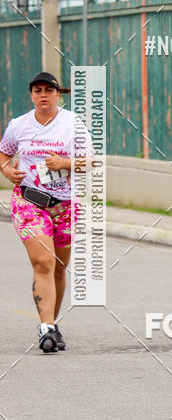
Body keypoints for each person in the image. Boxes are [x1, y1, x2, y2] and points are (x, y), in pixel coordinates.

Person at [0, 71, 92, 353]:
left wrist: (64, 162)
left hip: (64, 205)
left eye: (48, 90)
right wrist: (7, 170)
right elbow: (4, 152)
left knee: (59, 269)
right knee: (43, 263)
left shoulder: (72, 123)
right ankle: (46, 329)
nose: (43, 95)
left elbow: (90, 161)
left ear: (57, 94)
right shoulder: (19, 125)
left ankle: (52, 321)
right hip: (29, 201)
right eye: (37, 90)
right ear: (31, 94)